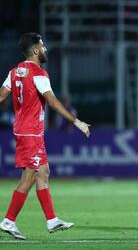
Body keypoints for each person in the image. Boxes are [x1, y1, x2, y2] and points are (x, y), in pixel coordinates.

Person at [0, 33, 91, 240]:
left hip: (24, 130)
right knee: (30, 176)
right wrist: (76, 122)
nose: (45, 49)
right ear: (34, 50)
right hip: (31, 132)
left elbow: (1, 96)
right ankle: (9, 220)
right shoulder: (38, 73)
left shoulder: (14, 72)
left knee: (43, 171)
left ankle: (51, 219)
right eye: (42, 46)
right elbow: (53, 101)